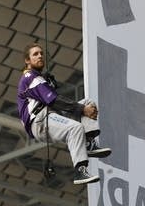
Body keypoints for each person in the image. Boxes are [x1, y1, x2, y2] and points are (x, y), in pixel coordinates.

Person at [17, 43, 111, 184]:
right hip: (40, 121)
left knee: (87, 102)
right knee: (76, 127)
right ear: (27, 60)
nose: (40, 56)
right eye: (35, 54)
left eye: (41, 53)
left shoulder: (38, 78)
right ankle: (80, 171)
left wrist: (81, 107)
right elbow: (54, 100)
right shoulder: (30, 76)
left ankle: (88, 143)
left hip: (49, 117)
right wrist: (82, 110)